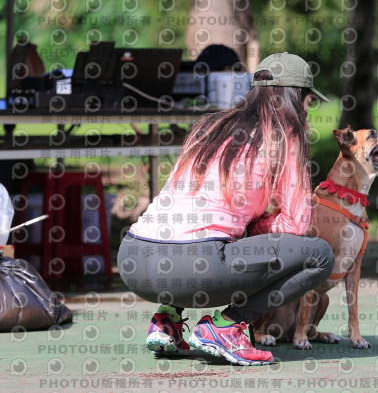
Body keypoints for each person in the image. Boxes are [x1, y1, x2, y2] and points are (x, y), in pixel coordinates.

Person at [117, 52, 335, 366]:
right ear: (297, 97)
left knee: (205, 229)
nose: (307, 110)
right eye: (309, 102)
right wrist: (257, 226)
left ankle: (166, 322)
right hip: (195, 269)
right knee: (319, 255)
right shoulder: (286, 136)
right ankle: (226, 327)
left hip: (133, 260)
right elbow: (296, 223)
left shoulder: (212, 124)